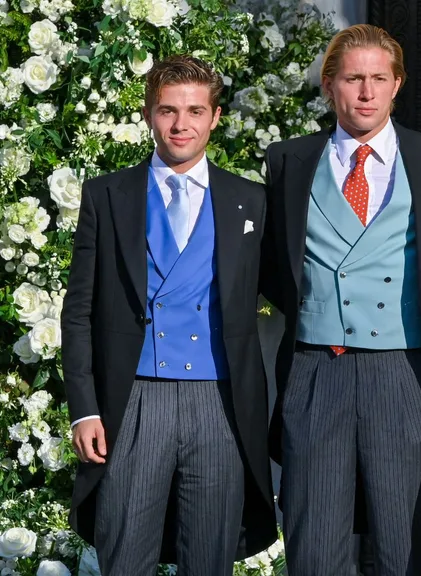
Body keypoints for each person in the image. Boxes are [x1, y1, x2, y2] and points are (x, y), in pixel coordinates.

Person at [260, 24, 421, 575]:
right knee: (314, 541)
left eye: (378, 78)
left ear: (397, 84)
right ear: (330, 86)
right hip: (317, 367)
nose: (366, 92)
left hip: (406, 370)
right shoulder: (288, 161)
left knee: (405, 541)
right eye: (353, 79)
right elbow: (272, 266)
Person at [61, 55, 277, 575]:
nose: (181, 124)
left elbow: (294, 287)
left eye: (195, 111)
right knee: (125, 556)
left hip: (218, 402)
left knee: (208, 559)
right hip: (134, 399)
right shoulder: (106, 195)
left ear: (215, 118)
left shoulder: (251, 200)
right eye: (167, 111)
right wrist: (85, 408)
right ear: (147, 114)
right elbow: (79, 311)